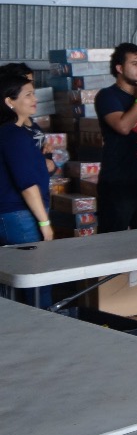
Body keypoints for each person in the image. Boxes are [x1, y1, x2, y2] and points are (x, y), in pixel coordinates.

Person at [94, 43, 137, 233]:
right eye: (134, 63)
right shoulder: (107, 96)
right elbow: (123, 126)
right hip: (119, 181)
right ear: (119, 68)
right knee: (113, 242)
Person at [0, 75, 53, 307]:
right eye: (28, 94)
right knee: (37, 282)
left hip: (13, 216)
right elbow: (27, 185)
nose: (35, 99)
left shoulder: (21, 134)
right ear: (9, 101)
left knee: (12, 282)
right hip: (21, 217)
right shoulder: (13, 135)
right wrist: (44, 223)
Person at [0, 63, 54, 173]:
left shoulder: (31, 124)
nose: (35, 98)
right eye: (27, 92)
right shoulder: (9, 131)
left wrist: (47, 157)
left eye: (31, 83)